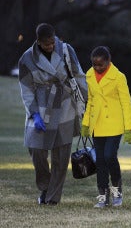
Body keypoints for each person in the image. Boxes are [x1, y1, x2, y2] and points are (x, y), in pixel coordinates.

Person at [18, 23, 87, 205]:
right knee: (37, 150)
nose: (50, 46)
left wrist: (86, 102)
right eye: (46, 44)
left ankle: (52, 198)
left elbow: (78, 75)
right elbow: (26, 89)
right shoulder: (27, 58)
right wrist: (34, 114)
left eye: (52, 43)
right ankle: (45, 187)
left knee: (61, 156)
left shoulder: (66, 50)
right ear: (38, 41)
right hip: (41, 106)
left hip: (65, 105)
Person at [81, 46, 131, 208]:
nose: (97, 67)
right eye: (94, 64)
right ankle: (102, 196)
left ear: (108, 61)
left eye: (101, 64)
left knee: (109, 156)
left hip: (115, 124)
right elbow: (90, 101)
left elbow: (126, 104)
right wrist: (85, 124)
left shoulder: (119, 77)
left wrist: (129, 129)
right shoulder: (89, 75)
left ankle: (117, 192)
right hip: (96, 125)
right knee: (100, 161)